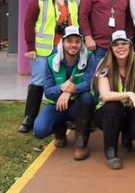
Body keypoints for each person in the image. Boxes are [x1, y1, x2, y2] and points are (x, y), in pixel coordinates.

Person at [20, 0, 81, 133]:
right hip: (44, 48)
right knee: (38, 81)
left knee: (66, 80)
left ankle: (66, 115)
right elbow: (28, 22)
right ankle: (29, 117)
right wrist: (30, 46)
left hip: (68, 47)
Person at [32, 26, 97, 161]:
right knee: (39, 130)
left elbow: (90, 83)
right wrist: (61, 87)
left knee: (88, 98)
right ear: (63, 42)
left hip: (78, 104)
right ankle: (60, 133)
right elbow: (48, 91)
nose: (73, 45)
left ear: (81, 43)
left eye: (77, 41)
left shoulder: (89, 57)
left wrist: (69, 91)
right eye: (70, 41)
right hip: (58, 104)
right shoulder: (51, 60)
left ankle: (81, 144)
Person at [93, 30, 135, 170]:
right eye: (116, 44)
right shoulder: (104, 65)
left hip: (129, 109)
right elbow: (105, 95)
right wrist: (129, 94)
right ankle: (111, 152)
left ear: (130, 46)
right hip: (106, 113)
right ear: (111, 48)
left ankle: (127, 134)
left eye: (124, 43)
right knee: (114, 106)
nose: (120, 47)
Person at [79, 0, 135, 68]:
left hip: (120, 45)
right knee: (98, 76)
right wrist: (88, 37)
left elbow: (128, 17)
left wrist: (129, 37)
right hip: (98, 45)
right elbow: (83, 15)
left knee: (118, 77)